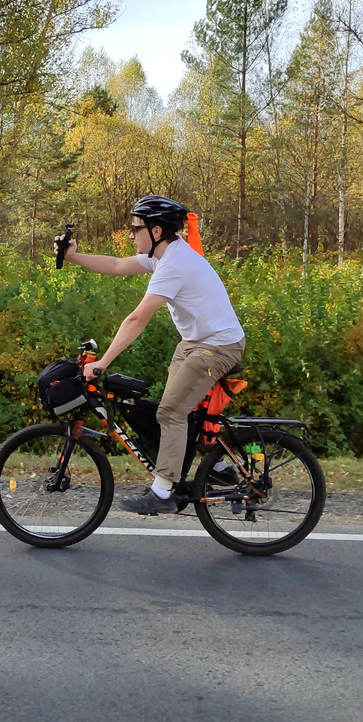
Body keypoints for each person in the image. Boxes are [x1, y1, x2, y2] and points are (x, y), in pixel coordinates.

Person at [56, 195, 245, 513]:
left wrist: (103, 363)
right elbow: (115, 265)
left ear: (156, 231)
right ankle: (218, 466)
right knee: (183, 411)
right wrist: (74, 257)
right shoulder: (165, 255)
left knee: (171, 412)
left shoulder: (174, 264)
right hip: (195, 343)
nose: (131, 234)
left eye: (135, 228)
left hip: (218, 346)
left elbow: (137, 318)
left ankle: (163, 494)